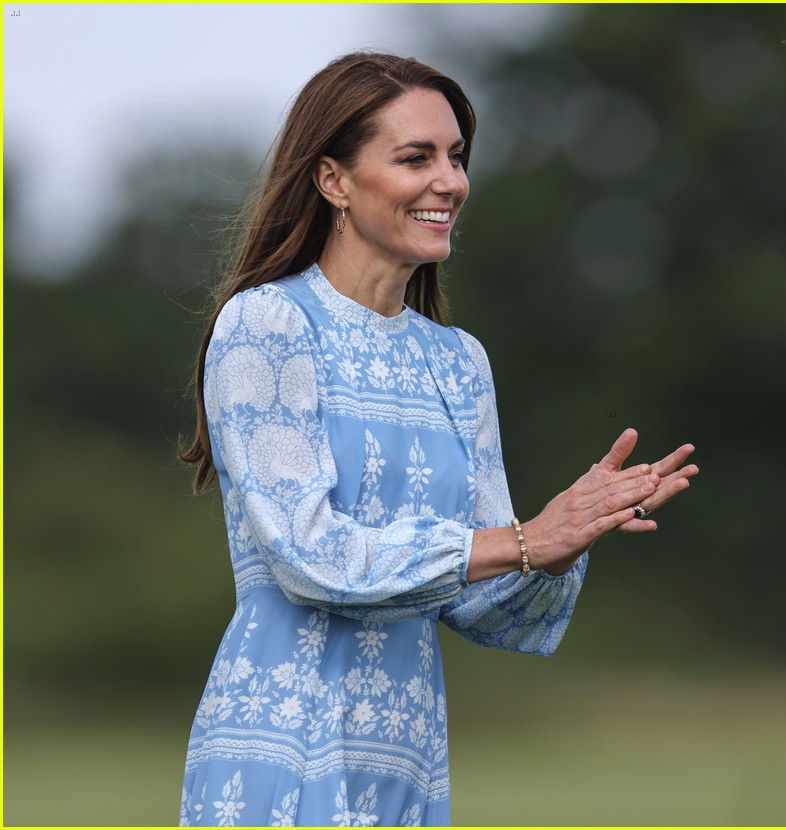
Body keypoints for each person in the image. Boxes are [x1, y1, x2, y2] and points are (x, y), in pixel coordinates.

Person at [176, 51, 698, 826]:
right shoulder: (268, 324)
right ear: (333, 180)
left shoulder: (459, 363)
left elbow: (485, 606)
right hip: (283, 747)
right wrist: (521, 539)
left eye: (456, 157)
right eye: (416, 158)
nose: (449, 181)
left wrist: (566, 538)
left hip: (407, 758)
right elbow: (309, 558)